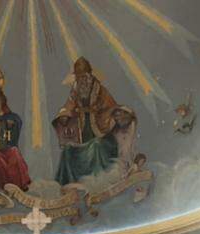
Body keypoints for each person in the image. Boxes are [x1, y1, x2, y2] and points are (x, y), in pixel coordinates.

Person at [52, 57, 137, 186]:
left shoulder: (101, 91)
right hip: (82, 133)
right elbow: (68, 106)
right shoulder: (75, 91)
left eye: (83, 76)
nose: (81, 79)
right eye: (78, 77)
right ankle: (68, 185)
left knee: (95, 145)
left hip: (103, 136)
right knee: (68, 150)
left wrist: (102, 112)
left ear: (89, 75)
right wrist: (64, 115)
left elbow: (112, 108)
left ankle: (98, 182)